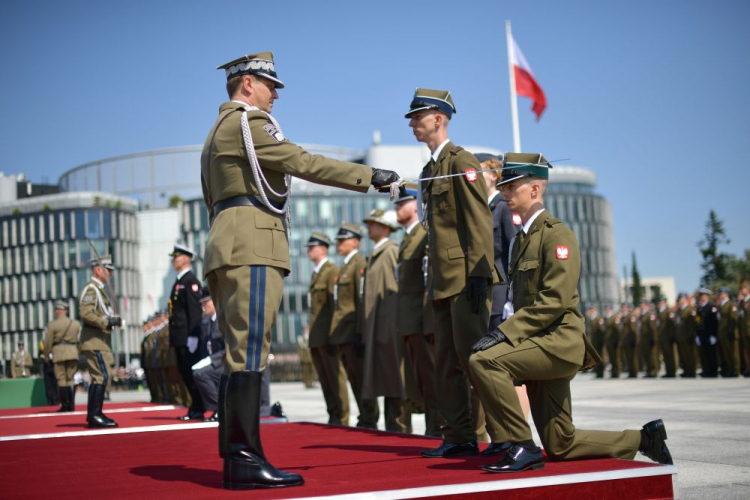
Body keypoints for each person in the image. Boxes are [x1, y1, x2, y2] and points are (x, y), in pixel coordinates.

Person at [201, 51, 398, 490]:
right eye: (272, 86)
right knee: (251, 351)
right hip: (252, 243)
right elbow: (304, 162)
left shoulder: (216, 130)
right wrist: (372, 177)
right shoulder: (248, 124)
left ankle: (236, 458)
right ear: (248, 83)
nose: (276, 96)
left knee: (239, 354)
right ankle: (246, 459)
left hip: (228, 241)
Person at [469, 153, 672, 473]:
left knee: (484, 360)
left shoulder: (556, 234)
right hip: (537, 342)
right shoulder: (522, 239)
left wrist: (504, 332)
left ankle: (519, 445)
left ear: (535, 190)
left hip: (557, 342)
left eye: (512, 186)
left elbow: (554, 300)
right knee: (561, 444)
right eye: (504, 186)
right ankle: (645, 439)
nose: (505, 192)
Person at [406, 88, 497, 458]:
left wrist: (480, 273)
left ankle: (504, 436)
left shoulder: (463, 161)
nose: (412, 123)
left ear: (439, 119)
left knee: (475, 361)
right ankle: (459, 436)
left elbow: (479, 219)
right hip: (441, 282)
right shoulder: (429, 170)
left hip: (465, 280)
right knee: (445, 364)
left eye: (418, 117)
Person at [394, 187, 443, 436]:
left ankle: (437, 429)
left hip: (422, 319)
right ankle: (433, 429)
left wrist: (428, 319)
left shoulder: (422, 234)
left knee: (432, 380)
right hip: (410, 321)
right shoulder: (407, 238)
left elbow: (427, 280)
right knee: (422, 382)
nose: (397, 208)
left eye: (402, 203)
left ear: (415, 205)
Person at [330, 222, 379, 428]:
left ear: (355, 242)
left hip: (352, 333)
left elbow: (360, 302)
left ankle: (369, 418)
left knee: (360, 378)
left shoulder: (360, 264)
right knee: (353, 379)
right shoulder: (346, 266)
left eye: (343, 240)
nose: (339, 244)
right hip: (344, 334)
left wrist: (360, 332)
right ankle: (364, 417)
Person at [361, 209, 406, 432]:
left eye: (373, 223)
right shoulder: (376, 253)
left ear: (385, 227)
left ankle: (397, 426)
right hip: (377, 327)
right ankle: (392, 426)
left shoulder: (389, 252)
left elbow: (392, 293)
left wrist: (390, 328)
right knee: (385, 377)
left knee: (392, 377)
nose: (369, 227)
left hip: (386, 327)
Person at [306, 232, 349, 425]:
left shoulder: (331, 271)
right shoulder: (317, 274)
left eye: (312, 247)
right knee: (325, 379)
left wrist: (334, 335)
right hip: (317, 337)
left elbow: (335, 304)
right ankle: (333, 415)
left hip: (328, 337)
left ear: (323, 248)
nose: (308, 250)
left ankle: (342, 417)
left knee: (335, 378)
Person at [78, 254, 122, 428]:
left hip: (100, 341)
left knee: (101, 377)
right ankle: (94, 415)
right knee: (101, 376)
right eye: (107, 270)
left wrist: (113, 321)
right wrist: (106, 322)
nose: (110, 273)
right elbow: (86, 313)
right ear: (98, 270)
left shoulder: (99, 289)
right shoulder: (92, 289)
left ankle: (95, 413)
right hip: (94, 341)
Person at [168, 243, 205, 420]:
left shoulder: (190, 281)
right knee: (184, 373)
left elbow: (194, 311)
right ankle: (195, 406)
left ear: (185, 259)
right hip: (179, 336)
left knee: (191, 374)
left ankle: (197, 407)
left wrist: (193, 335)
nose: (174, 261)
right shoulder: (180, 281)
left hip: (187, 337)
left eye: (176, 257)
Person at [192, 288, 226, 422]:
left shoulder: (223, 320)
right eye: (202, 303)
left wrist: (210, 361)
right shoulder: (206, 322)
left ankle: (220, 409)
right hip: (214, 363)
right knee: (197, 372)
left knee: (201, 374)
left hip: (224, 363)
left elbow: (228, 349)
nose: (203, 306)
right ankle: (217, 408)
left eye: (206, 302)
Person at [43, 301, 81, 412]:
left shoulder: (53, 324)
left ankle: (65, 406)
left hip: (59, 353)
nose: (55, 312)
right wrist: (77, 351)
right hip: (73, 352)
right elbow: (80, 340)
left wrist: (46, 356)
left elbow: (48, 342)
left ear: (59, 311)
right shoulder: (76, 324)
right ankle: (72, 405)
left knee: (61, 380)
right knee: (71, 379)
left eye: (56, 310)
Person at [695, 288, 719, 378]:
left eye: (703, 296)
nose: (701, 297)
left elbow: (714, 322)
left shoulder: (711, 307)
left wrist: (713, 335)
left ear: (707, 296)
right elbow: (698, 322)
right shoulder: (700, 308)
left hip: (709, 334)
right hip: (702, 334)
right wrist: (697, 335)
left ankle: (713, 371)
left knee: (711, 354)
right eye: (700, 296)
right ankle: (706, 370)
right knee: (704, 353)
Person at [716, 287, 739, 377]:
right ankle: (729, 370)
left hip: (730, 333)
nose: (720, 295)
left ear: (726, 294)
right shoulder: (721, 306)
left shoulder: (731, 305)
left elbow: (733, 319)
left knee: (733, 353)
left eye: (721, 293)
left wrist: (731, 331)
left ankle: (735, 370)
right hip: (722, 334)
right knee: (726, 354)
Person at [675, 292, 697, 377]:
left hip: (688, 336)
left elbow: (692, 324)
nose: (680, 301)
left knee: (690, 355)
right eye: (679, 299)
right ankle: (686, 370)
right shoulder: (678, 311)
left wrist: (691, 335)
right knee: (683, 355)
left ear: (686, 299)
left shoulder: (690, 310)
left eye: (682, 299)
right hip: (680, 337)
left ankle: (692, 371)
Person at [657, 298, 678, 378]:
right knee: (666, 356)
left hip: (668, 337)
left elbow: (671, 325)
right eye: (659, 303)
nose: (660, 304)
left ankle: (672, 371)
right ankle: (668, 371)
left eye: (661, 303)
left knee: (671, 355)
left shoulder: (668, 312)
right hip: (662, 338)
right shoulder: (659, 313)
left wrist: (672, 336)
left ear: (664, 303)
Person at [639, 300, 658, 378]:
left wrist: (654, 339)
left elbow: (653, 328)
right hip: (644, 340)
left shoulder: (650, 314)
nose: (641, 307)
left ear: (647, 305)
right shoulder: (642, 315)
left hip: (649, 339)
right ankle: (649, 371)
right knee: (646, 356)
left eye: (642, 305)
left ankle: (654, 371)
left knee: (652, 356)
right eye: (640, 305)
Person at [586, 306, 606, 378]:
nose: (589, 312)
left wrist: (601, 341)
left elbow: (601, 331)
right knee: (596, 358)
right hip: (594, 342)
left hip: (598, 342)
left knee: (600, 357)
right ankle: (598, 373)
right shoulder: (592, 319)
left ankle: (600, 373)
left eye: (591, 311)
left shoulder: (598, 319)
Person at [620, 302, 639, 378]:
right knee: (628, 357)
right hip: (626, 341)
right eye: (622, 307)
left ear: (628, 308)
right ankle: (631, 372)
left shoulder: (631, 316)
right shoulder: (624, 317)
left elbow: (633, 329)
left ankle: (634, 372)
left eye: (624, 307)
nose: (623, 308)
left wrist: (634, 340)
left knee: (633, 357)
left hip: (631, 341)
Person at [603, 304, 621, 378]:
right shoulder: (605, 318)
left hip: (614, 341)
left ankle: (617, 372)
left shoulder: (614, 318)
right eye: (606, 309)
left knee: (616, 357)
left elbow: (617, 330)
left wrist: (618, 341)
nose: (607, 310)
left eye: (608, 309)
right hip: (608, 341)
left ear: (611, 310)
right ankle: (613, 372)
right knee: (611, 357)